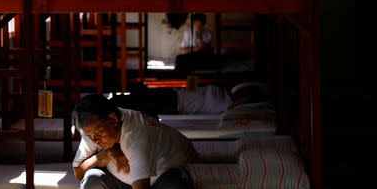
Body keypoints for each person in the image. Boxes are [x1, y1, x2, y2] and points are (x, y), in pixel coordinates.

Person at [115, 82, 269, 119]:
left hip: (175, 102)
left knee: (137, 101)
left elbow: (245, 99)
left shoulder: (226, 105)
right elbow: (242, 90)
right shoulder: (225, 94)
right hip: (174, 95)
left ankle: (116, 103)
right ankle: (116, 102)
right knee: (137, 96)